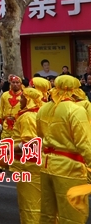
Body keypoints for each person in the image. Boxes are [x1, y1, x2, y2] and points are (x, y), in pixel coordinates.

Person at [37, 74, 91, 223]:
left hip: (46, 166)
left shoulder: (43, 109)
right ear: (74, 89)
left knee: (47, 214)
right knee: (72, 216)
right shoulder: (75, 110)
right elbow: (85, 144)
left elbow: (39, 136)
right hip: (69, 168)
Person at [12, 86, 44, 224]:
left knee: (30, 204)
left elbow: (30, 143)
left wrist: (11, 149)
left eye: (23, 97)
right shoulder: (39, 113)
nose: (20, 100)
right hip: (37, 164)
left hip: (28, 166)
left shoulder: (27, 117)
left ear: (29, 100)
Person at [0, 74, 24, 141]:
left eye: (17, 82)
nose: (15, 84)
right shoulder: (5, 95)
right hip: (6, 125)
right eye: (13, 82)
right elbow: (0, 109)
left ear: (20, 84)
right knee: (5, 143)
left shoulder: (24, 96)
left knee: (16, 144)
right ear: (10, 83)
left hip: (18, 125)